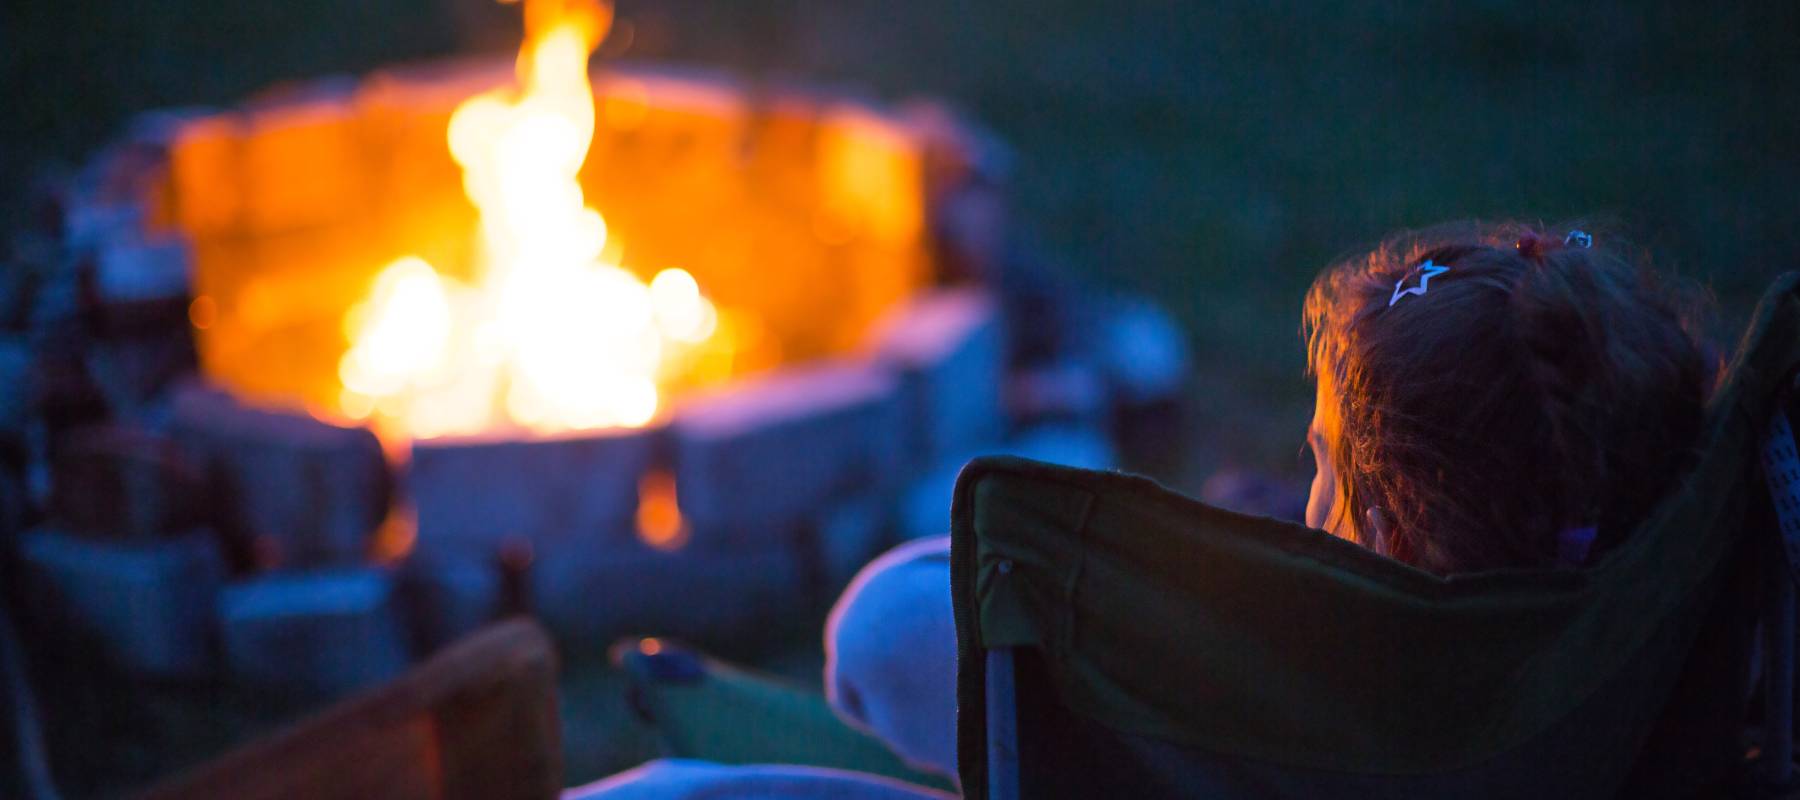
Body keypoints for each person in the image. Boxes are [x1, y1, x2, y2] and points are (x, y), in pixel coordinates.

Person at [569, 221, 1714, 797]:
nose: (1303, 498)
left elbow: (880, 641)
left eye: (1324, 468)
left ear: (1401, 535)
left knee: (737, 745)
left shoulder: (1290, 685)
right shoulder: (1624, 656)